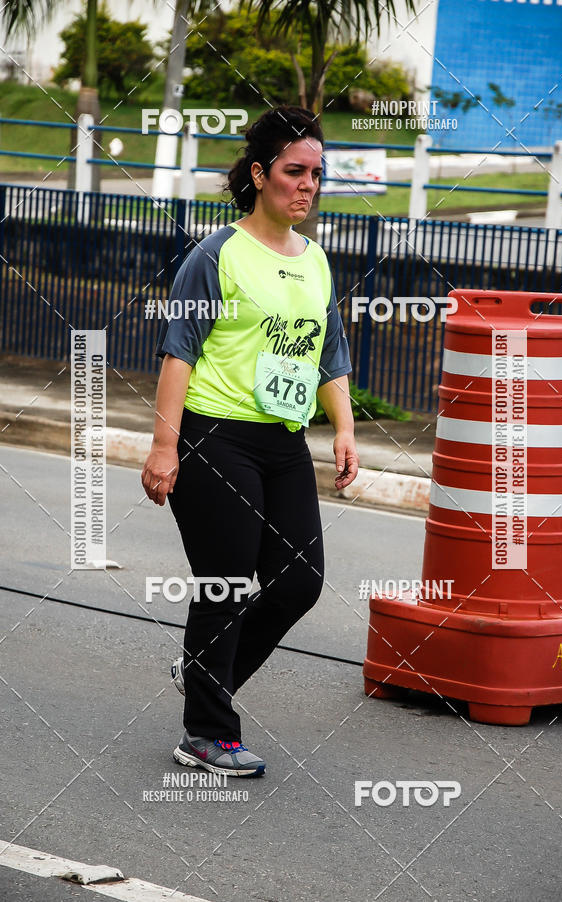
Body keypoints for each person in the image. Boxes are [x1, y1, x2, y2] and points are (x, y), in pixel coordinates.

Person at [141, 105, 359, 778]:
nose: (308, 185)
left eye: (317, 174)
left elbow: (331, 354)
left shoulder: (316, 261)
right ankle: (206, 732)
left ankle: (208, 670)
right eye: (296, 172)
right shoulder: (217, 256)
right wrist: (163, 446)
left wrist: (345, 428)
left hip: (283, 440)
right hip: (214, 436)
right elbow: (178, 353)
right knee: (227, 583)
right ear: (261, 175)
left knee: (298, 582)